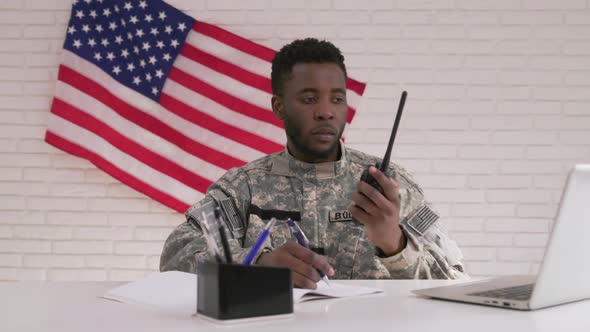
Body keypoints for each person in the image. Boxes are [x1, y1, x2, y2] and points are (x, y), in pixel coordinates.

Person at [160, 38, 467, 289]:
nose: (326, 112)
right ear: (279, 106)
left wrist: (395, 245)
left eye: (337, 99)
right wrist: (258, 264)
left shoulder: (390, 187)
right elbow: (176, 255)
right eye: (309, 99)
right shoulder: (244, 187)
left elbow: (454, 281)